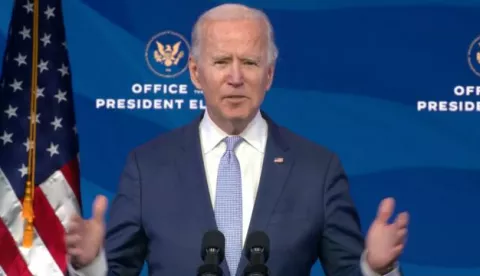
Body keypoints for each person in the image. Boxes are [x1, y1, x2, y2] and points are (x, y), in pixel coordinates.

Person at [66, 3, 409, 276]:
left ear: (269, 74)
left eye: (249, 62)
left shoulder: (317, 169)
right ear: (195, 72)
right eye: (221, 62)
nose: (235, 77)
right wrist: (92, 264)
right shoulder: (148, 166)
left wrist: (375, 269)